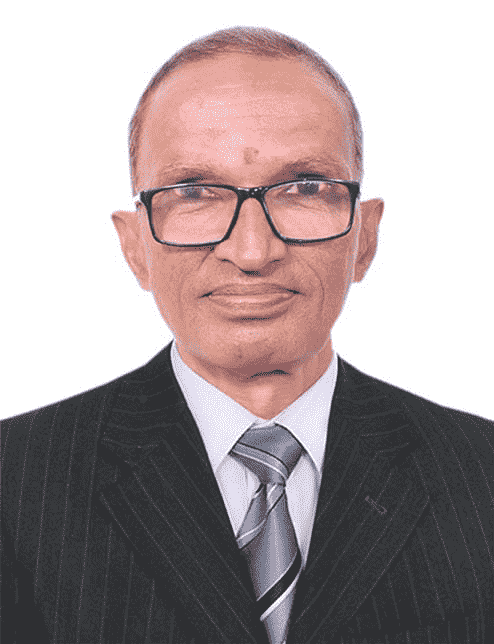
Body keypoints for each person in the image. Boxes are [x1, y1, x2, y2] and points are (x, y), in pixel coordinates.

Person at [1, 26, 493, 644]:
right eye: (194, 192)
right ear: (134, 246)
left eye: (306, 188)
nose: (253, 251)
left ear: (365, 237)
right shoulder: (16, 483)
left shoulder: (481, 477)